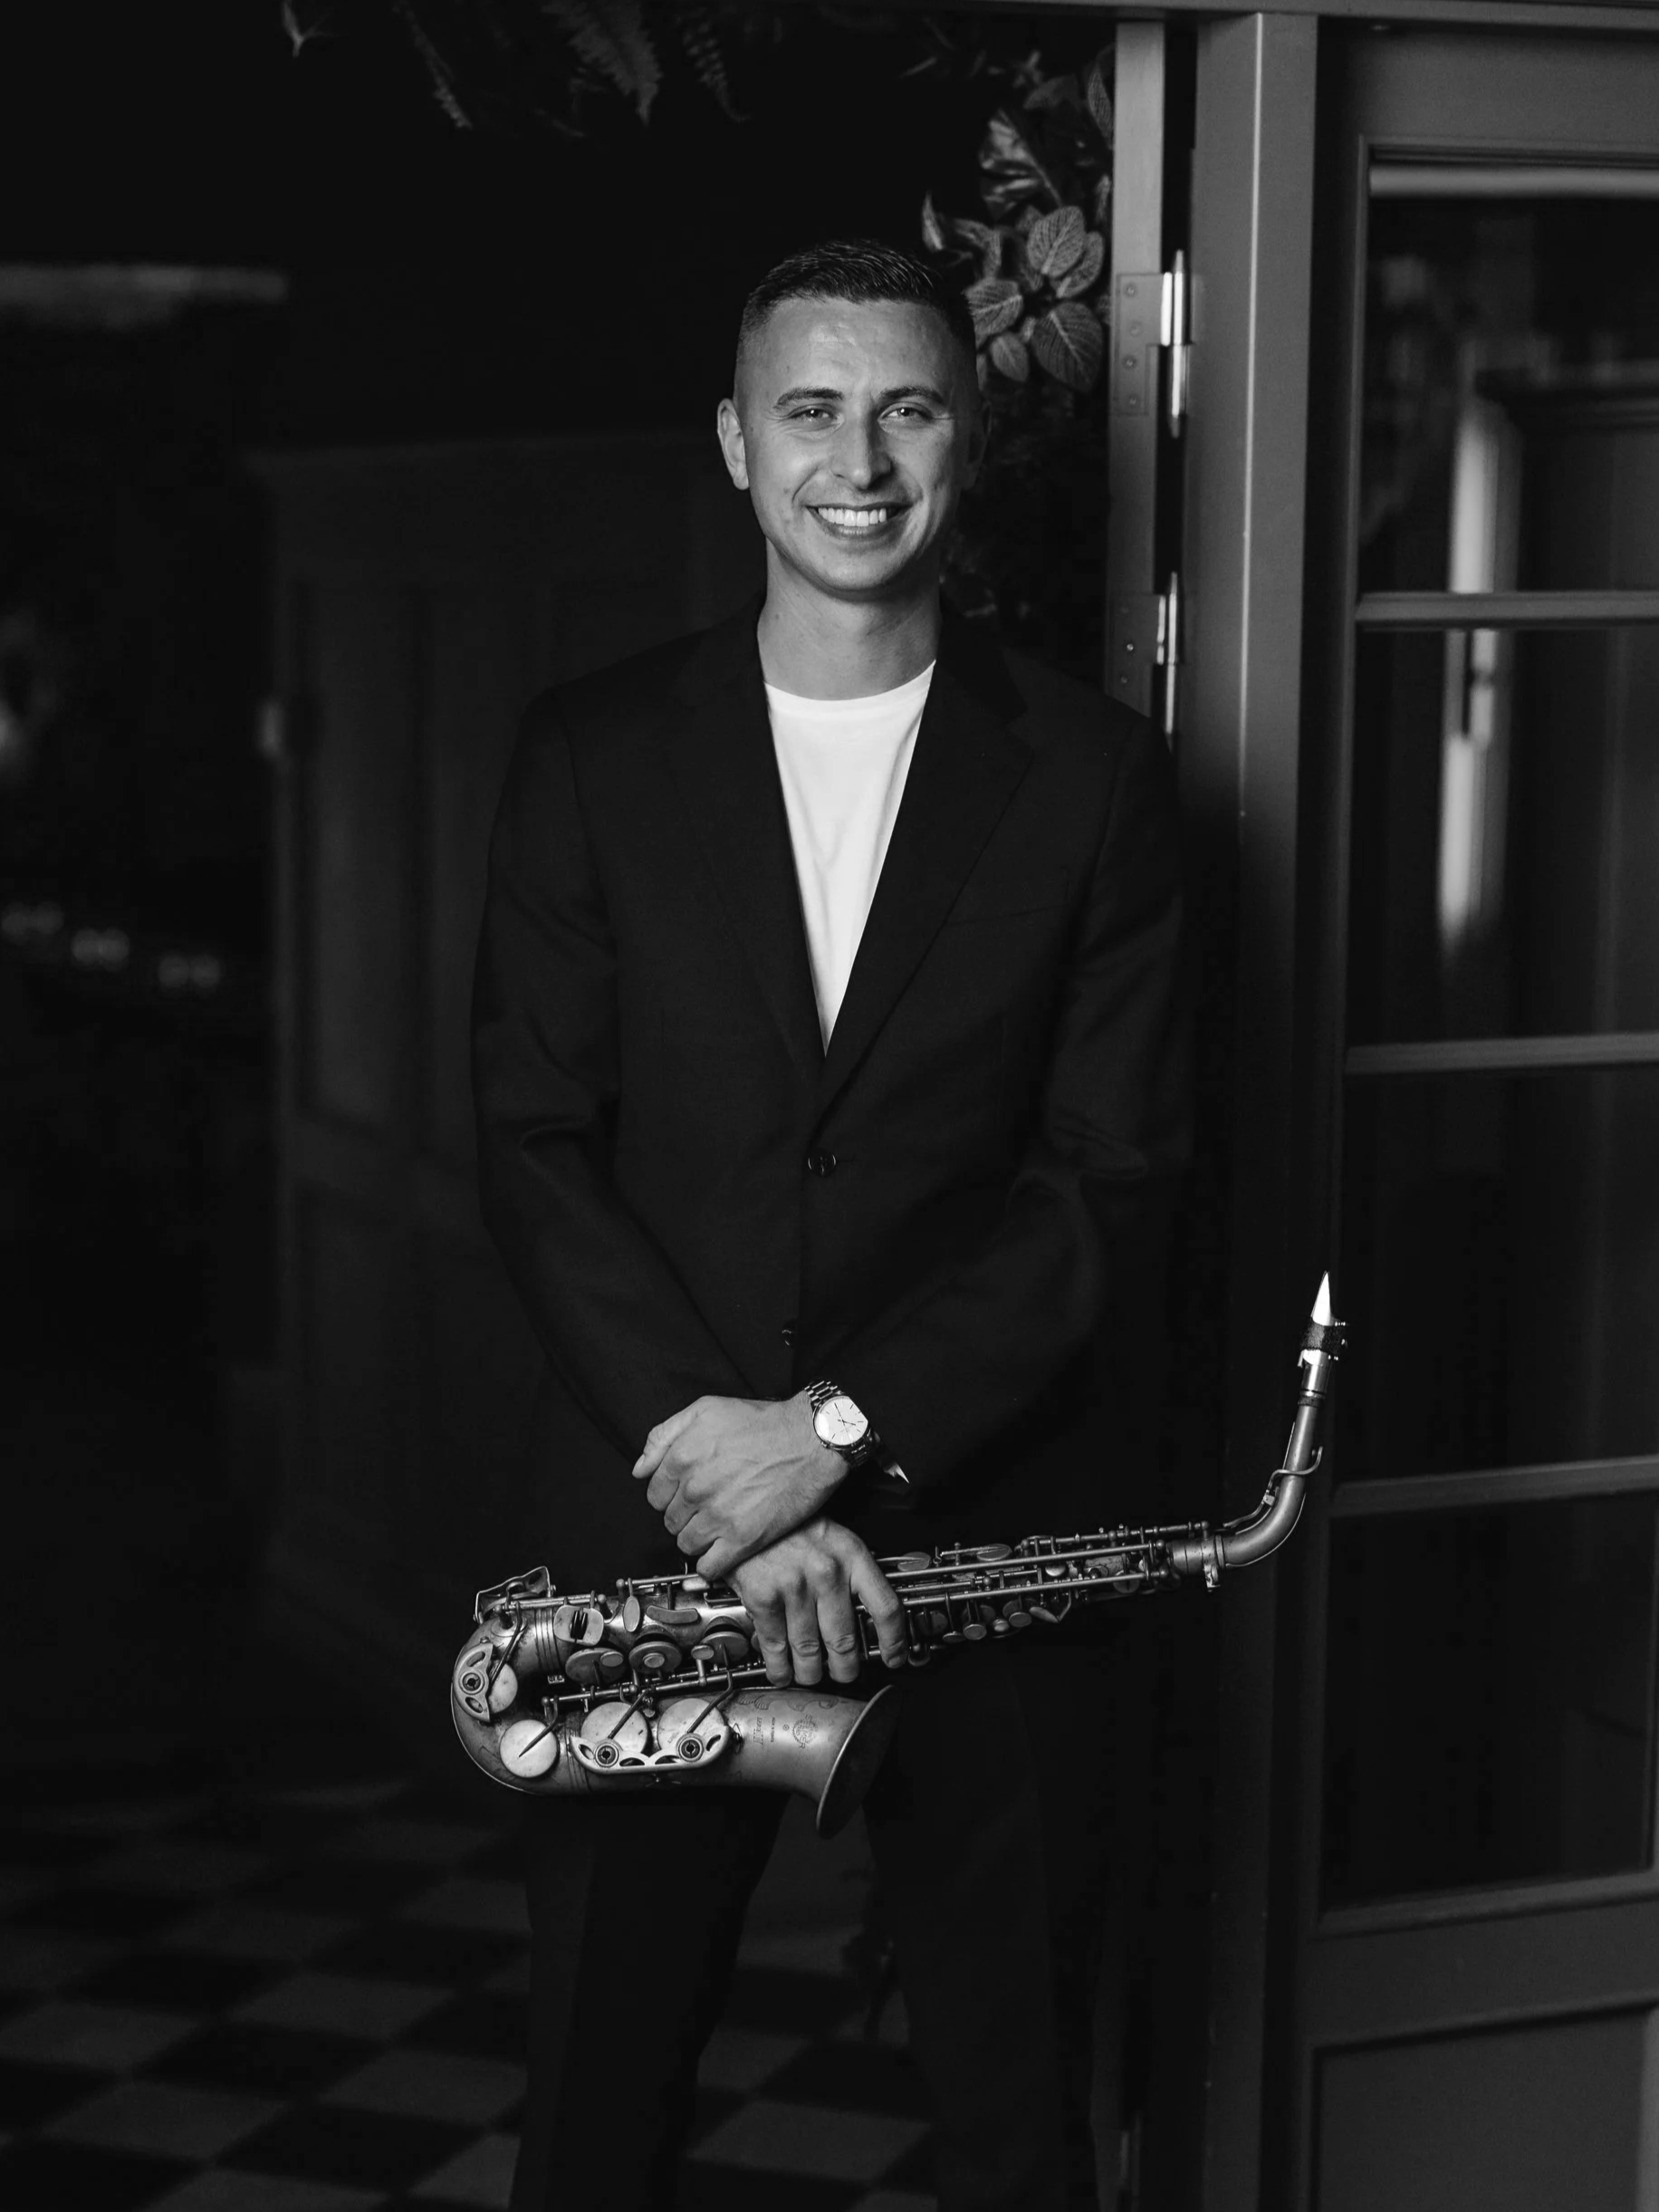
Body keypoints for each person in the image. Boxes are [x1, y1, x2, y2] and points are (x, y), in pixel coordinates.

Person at [473, 238, 1189, 2212]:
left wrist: (837, 1436)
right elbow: (533, 1141)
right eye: (810, 409)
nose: (856, 462)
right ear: (734, 442)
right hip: (657, 1535)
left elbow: (1112, 1175)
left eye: (905, 410)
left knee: (1018, 2131)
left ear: (969, 440)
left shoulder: (1098, 780)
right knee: (597, 2114)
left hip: (985, 1536)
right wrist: (733, 1472)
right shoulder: (590, 751)